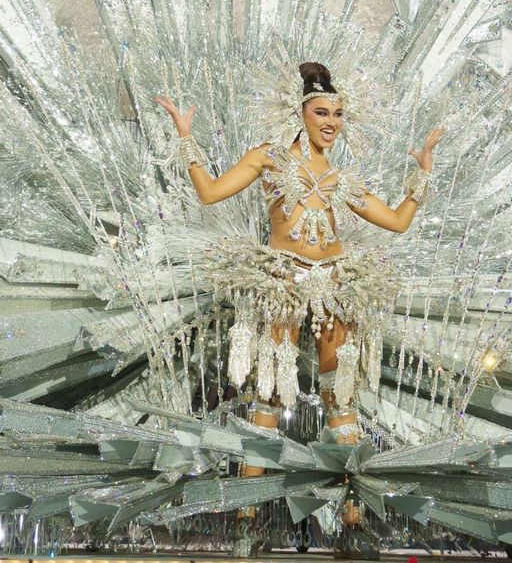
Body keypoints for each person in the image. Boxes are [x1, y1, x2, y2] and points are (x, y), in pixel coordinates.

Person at [154, 61, 443, 525]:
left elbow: (396, 221)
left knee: (339, 395)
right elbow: (209, 193)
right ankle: (247, 511)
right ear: (301, 113)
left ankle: (353, 517)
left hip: (333, 285)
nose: (332, 123)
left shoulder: (341, 179)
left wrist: (423, 174)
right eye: (323, 112)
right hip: (282, 282)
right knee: (269, 391)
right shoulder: (268, 158)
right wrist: (185, 138)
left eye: (339, 114)